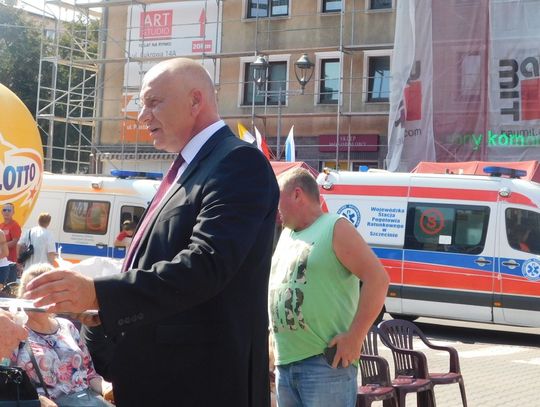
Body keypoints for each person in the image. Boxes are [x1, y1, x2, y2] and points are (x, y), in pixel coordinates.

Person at [24, 57, 279, 406]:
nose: (142, 116)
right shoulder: (190, 166)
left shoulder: (237, 162)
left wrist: (100, 295)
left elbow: (206, 265)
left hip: (200, 387)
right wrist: (100, 311)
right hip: (163, 381)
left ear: (195, 100)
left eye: (154, 102)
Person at [269, 168, 389, 407]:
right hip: (286, 363)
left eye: (277, 198)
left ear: (297, 194)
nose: (274, 207)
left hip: (324, 363)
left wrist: (355, 337)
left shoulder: (335, 227)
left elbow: (378, 279)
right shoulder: (286, 235)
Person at [9, 263, 113, 407]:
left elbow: (90, 374)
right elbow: (8, 381)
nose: (38, 299)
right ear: (22, 296)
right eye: (32, 293)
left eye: (46, 293)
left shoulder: (67, 326)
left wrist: (107, 387)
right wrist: (37, 400)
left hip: (86, 400)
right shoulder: (16, 332)